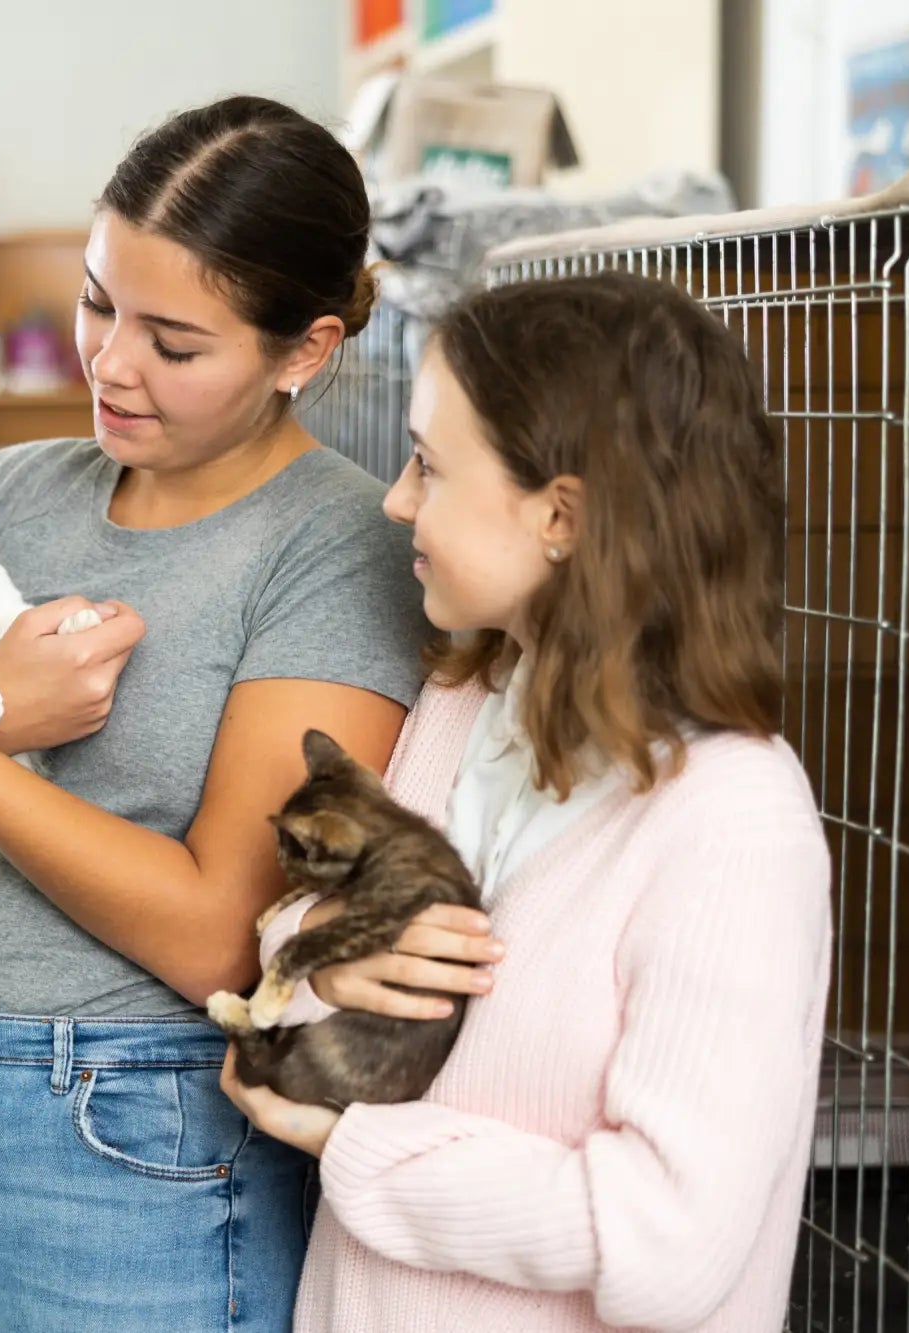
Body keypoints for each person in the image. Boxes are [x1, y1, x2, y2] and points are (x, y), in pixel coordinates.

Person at [0, 95, 443, 1332]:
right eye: (95, 301)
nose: (110, 362)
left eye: (174, 343)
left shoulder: (338, 550)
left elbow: (215, 933)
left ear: (304, 349)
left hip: (134, 1154)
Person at [222, 272, 833, 1332]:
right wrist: (329, 945)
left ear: (559, 514)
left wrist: (353, 1148)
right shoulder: (464, 701)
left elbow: (668, 1241)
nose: (394, 499)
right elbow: (305, 923)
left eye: (429, 464)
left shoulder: (734, 822)